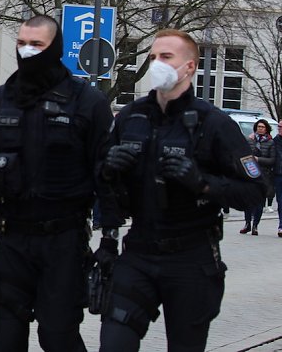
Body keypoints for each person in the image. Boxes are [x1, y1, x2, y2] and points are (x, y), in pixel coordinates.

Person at [0, 15, 112, 352]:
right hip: (12, 239)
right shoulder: (0, 101)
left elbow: (106, 176)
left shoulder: (87, 102)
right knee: (7, 340)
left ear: (54, 49)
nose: (27, 52)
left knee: (58, 337)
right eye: (22, 44)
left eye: (37, 45)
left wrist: (110, 241)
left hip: (63, 241)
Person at [95, 29, 267, 352]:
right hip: (139, 253)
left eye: (166, 57)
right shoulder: (131, 118)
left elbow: (256, 191)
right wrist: (107, 172)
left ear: (189, 67)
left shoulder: (213, 124)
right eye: (153, 57)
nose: (156, 63)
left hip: (191, 257)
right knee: (114, 343)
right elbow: (104, 187)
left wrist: (202, 183)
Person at [241, 119, 274, 235]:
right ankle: (247, 223)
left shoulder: (270, 143)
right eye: (258, 127)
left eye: (262, 127)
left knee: (260, 202)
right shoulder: (250, 140)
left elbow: (272, 160)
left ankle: (255, 225)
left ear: (266, 129)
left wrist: (259, 159)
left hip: (263, 175)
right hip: (249, 173)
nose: (260, 129)